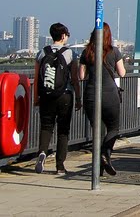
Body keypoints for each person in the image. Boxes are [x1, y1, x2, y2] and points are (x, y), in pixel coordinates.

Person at [79, 22, 126, 176]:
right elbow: (122, 73)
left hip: (91, 94)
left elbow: (81, 76)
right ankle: (106, 154)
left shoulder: (87, 52)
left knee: (97, 130)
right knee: (113, 128)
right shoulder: (114, 52)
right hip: (110, 94)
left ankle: (98, 168)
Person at [34, 22, 81, 175]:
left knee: (46, 126)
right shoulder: (70, 54)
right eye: (67, 35)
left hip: (46, 95)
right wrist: (79, 97)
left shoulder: (42, 52)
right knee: (63, 130)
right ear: (62, 36)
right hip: (64, 95)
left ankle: (42, 152)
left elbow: (36, 78)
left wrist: (36, 97)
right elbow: (74, 78)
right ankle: (60, 166)